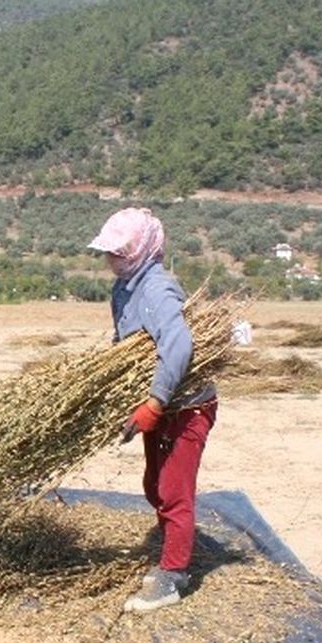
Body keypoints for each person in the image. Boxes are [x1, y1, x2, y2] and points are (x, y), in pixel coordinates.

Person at [88, 208, 217, 613]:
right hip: (157, 406)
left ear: (142, 250)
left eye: (119, 253)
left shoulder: (157, 289)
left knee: (173, 491)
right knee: (153, 485)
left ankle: (173, 576)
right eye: (109, 253)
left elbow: (179, 346)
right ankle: (171, 553)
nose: (112, 260)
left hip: (185, 407)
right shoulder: (125, 286)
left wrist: (156, 401)